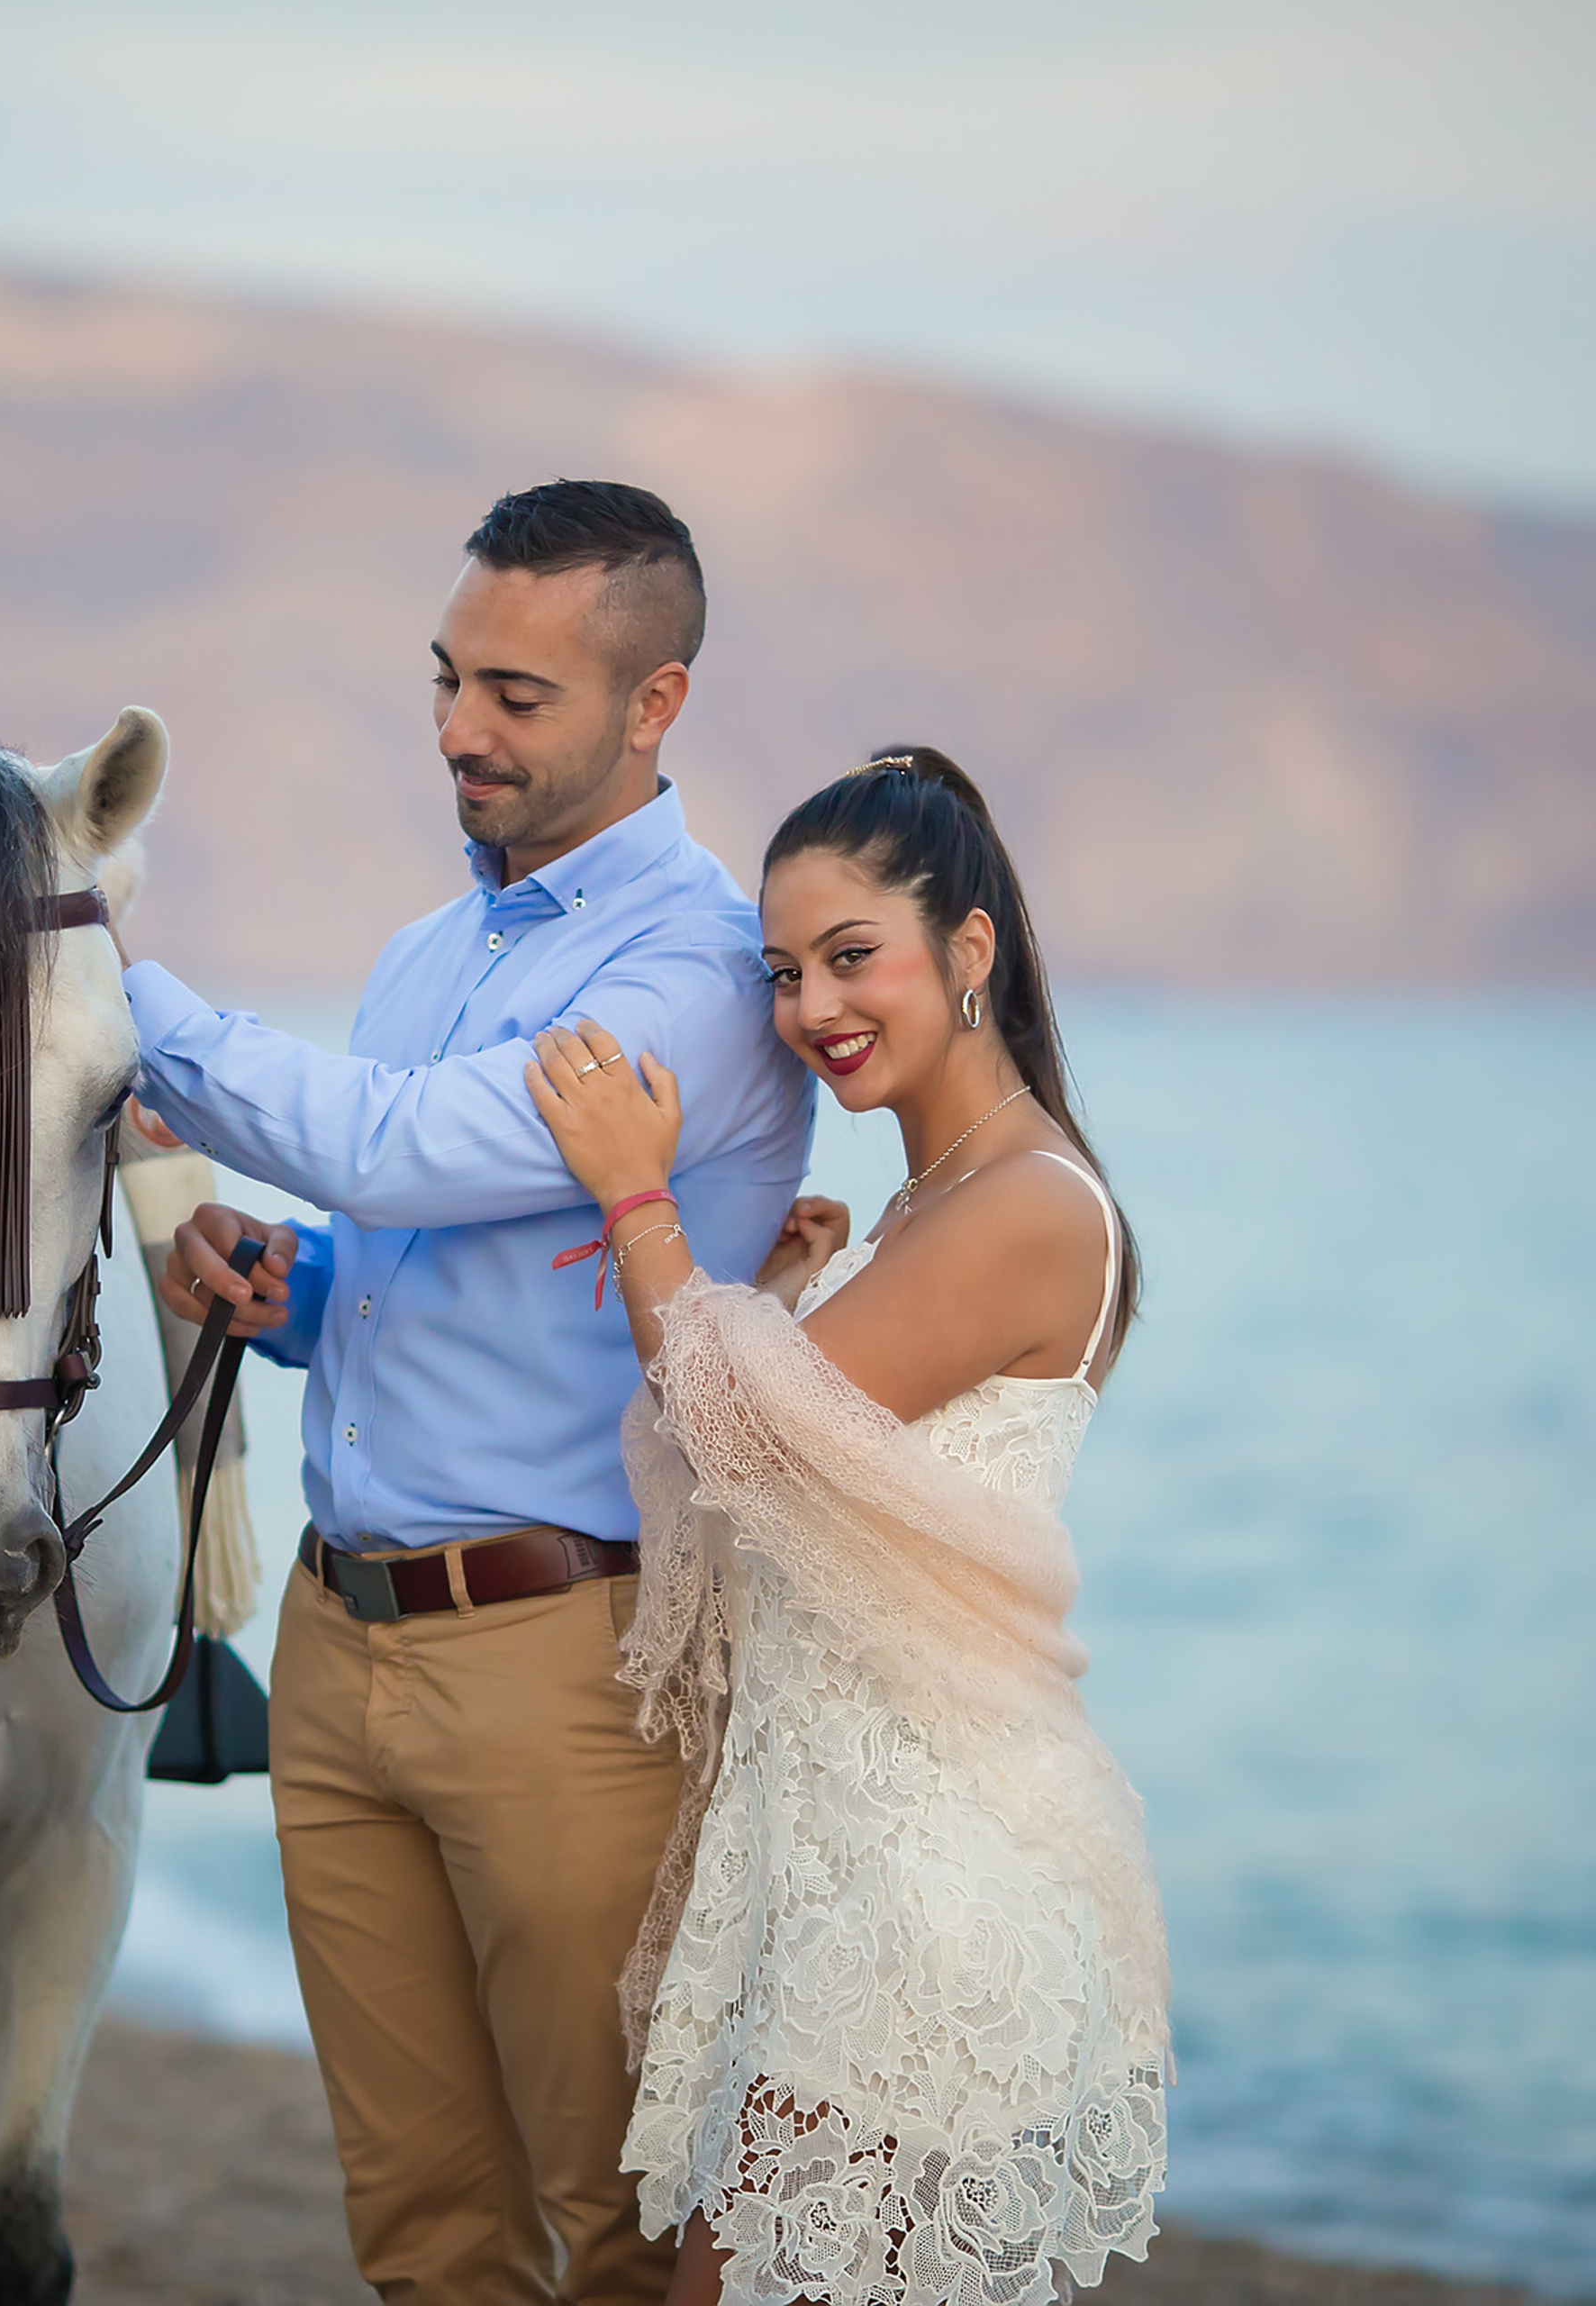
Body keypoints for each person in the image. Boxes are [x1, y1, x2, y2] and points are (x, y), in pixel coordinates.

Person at [126, 480, 816, 2302]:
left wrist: (94, 988)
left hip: (566, 1666)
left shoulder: (696, 971)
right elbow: (415, 1243)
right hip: (337, 1650)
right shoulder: (427, 954)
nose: (456, 727)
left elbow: (400, 1145)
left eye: (514, 695)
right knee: (420, 2231)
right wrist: (284, 1289)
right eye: (446, 677)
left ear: (650, 704)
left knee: (623, 2225)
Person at [523, 749, 1170, 2306]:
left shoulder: (1027, 1203)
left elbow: (728, 1432)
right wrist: (787, 1302)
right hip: (829, 1861)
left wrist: (635, 1195)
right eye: (784, 971)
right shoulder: (923, 1209)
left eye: (851, 956)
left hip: (923, 1884)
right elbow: (766, 1459)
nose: (812, 1007)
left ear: (969, 950)